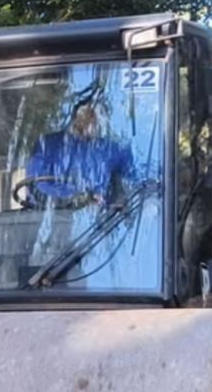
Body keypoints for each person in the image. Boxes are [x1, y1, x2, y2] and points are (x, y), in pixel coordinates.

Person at [23, 99, 135, 282]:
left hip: (101, 231)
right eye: (92, 115)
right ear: (78, 116)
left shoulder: (109, 149)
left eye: (100, 116)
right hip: (52, 226)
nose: (98, 121)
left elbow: (136, 177)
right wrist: (80, 197)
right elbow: (37, 184)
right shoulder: (47, 145)